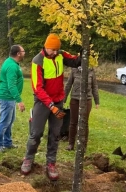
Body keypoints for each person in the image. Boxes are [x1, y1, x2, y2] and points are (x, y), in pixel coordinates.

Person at [20, 33, 81, 181]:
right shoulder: (37, 61)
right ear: (45, 47)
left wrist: (84, 52)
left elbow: (75, 61)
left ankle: (51, 163)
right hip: (42, 103)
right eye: (52, 50)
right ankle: (28, 159)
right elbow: (38, 88)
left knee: (55, 134)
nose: (54, 52)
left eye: (56, 50)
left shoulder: (61, 54)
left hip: (58, 100)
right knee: (36, 133)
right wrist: (51, 106)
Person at [0, 45, 26, 152]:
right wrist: (19, 101)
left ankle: (7, 142)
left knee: (10, 121)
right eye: (23, 51)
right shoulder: (12, 66)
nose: (24, 52)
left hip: (9, 97)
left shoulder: (11, 62)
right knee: (5, 122)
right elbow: (11, 85)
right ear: (18, 54)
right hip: (6, 97)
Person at [64, 66, 100, 151]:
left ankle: (83, 145)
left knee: (84, 122)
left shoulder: (91, 71)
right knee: (73, 122)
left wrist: (97, 101)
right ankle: (71, 144)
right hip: (75, 99)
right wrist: (64, 98)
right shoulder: (74, 70)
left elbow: (94, 86)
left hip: (87, 100)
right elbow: (68, 84)